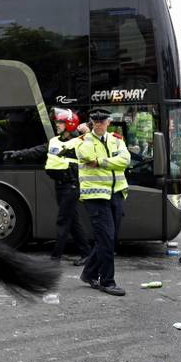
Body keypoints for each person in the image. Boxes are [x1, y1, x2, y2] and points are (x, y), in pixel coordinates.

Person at [4, 109, 92, 263]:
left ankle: (56, 256)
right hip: (60, 186)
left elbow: (94, 147)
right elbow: (37, 151)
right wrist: (17, 154)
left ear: (70, 124)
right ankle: (87, 254)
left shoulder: (79, 142)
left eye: (60, 122)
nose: (57, 125)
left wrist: (88, 132)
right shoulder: (54, 141)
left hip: (71, 186)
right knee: (72, 221)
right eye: (57, 122)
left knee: (63, 221)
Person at [75, 107, 130, 296]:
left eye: (102, 120)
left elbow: (125, 160)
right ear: (91, 123)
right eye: (95, 121)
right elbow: (88, 156)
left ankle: (89, 273)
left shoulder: (117, 139)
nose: (99, 123)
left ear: (108, 122)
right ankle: (107, 281)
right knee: (106, 239)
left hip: (116, 194)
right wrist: (111, 159)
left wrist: (101, 162)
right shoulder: (83, 141)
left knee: (110, 238)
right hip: (96, 196)